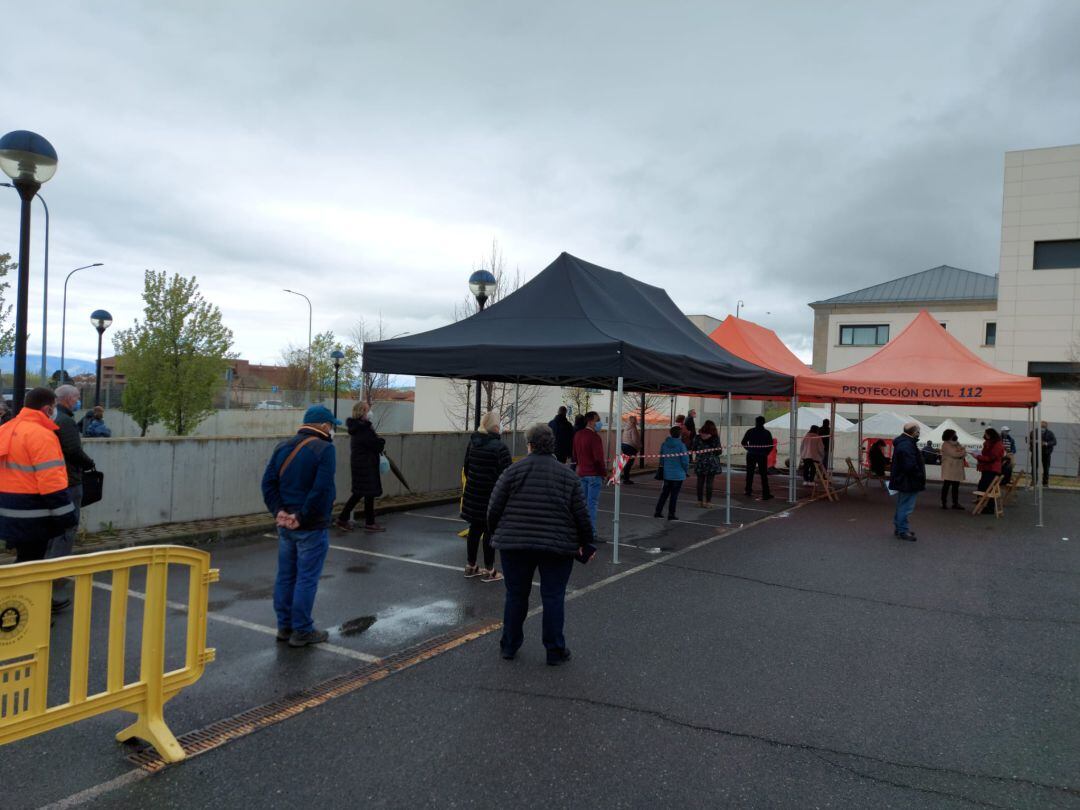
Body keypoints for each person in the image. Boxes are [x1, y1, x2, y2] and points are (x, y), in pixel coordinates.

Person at [488, 423, 594, 665]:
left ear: (529, 445)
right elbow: (581, 515)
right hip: (557, 546)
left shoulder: (513, 471)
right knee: (553, 597)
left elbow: (494, 508)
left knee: (516, 596)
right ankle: (555, 650)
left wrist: (497, 534)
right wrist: (586, 543)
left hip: (515, 544)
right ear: (552, 445)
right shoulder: (568, 475)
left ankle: (509, 646)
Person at [261, 404, 340, 647]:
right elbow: (321, 489)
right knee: (306, 578)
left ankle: (284, 627)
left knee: (285, 576)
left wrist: (280, 512)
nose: (333, 430)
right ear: (324, 426)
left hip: (286, 526)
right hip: (310, 526)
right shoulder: (325, 450)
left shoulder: (282, 446)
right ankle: (302, 630)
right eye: (332, 426)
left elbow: (268, 484)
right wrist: (302, 517)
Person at [0, 388, 78, 565]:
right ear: (47, 409)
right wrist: (67, 517)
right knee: (32, 566)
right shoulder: (41, 435)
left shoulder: (5, 429)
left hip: (8, 511)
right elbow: (51, 482)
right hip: (33, 515)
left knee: (24, 560)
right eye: (54, 406)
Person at [45, 386, 98, 611]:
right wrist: (90, 463)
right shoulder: (65, 422)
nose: (78, 401)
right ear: (67, 399)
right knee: (68, 527)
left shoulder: (53, 418)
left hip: (55, 481)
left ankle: (48, 568)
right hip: (69, 481)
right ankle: (56, 573)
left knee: (54, 528)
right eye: (77, 398)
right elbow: (73, 450)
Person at [461, 410, 511, 582]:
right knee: (490, 531)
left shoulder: (473, 443)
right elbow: (507, 476)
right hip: (491, 495)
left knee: (475, 529)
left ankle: (471, 565)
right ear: (496, 426)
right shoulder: (500, 448)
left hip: (473, 493)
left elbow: (466, 468)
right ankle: (490, 570)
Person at [335, 401, 386, 533]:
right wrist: (381, 441)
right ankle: (344, 519)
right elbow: (375, 444)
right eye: (367, 410)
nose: (370, 412)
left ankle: (368, 521)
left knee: (365, 493)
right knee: (361, 493)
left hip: (362, 464)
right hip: (365, 465)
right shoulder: (363, 429)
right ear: (362, 412)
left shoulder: (360, 428)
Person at [890, 422, 925, 541]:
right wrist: (919, 475)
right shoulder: (907, 445)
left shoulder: (904, 443)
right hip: (908, 480)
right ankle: (902, 530)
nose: (919, 432)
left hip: (904, 479)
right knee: (906, 506)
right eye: (918, 430)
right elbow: (909, 465)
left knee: (902, 505)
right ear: (914, 432)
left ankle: (899, 527)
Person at [572, 411, 605, 532]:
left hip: (581, 473)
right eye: (598, 420)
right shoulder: (595, 437)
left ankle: (581, 531)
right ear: (590, 421)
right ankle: (591, 532)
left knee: (582, 505)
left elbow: (574, 456)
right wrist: (603, 473)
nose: (599, 423)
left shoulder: (578, 435)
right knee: (592, 505)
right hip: (594, 474)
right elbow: (598, 459)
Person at [654, 426, 690, 520]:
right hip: (678, 474)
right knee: (674, 495)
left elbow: (661, 458)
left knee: (664, 493)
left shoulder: (664, 444)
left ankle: (658, 511)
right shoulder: (681, 446)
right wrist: (685, 471)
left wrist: (662, 467)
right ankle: (671, 514)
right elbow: (685, 461)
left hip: (667, 473)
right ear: (680, 435)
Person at [741, 416, 774, 500]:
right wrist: (766, 453)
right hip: (762, 455)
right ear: (764, 422)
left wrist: (749, 449)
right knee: (763, 475)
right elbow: (770, 445)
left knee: (750, 473)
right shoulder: (767, 433)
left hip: (751, 454)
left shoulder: (750, 431)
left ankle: (748, 490)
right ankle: (766, 493)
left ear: (755, 422)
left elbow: (743, 442)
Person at [974, 427, 1005, 514]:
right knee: (984, 486)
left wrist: (978, 457)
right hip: (987, 467)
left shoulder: (997, 445)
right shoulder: (989, 443)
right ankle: (983, 504)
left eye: (987, 434)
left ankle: (989, 507)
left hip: (992, 468)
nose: (985, 435)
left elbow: (992, 458)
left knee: (988, 488)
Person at [691, 419, 722, 508]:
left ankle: (699, 501)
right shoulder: (715, 438)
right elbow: (719, 451)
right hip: (711, 463)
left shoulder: (697, 437)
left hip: (700, 462)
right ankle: (708, 502)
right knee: (709, 483)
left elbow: (693, 448)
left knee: (700, 482)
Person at [939, 429, 967, 510]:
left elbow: (961, 453)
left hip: (957, 468)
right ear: (950, 435)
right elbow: (955, 454)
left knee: (956, 486)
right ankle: (944, 502)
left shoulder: (957, 444)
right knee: (946, 485)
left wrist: (961, 451)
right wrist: (962, 451)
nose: (956, 436)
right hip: (949, 468)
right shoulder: (946, 444)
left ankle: (955, 503)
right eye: (954, 434)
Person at [1028, 421, 1056, 486]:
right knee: (1034, 467)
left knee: (1046, 468)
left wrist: (1046, 443)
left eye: (1044, 427)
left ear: (1046, 427)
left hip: (1046, 453)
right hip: (1036, 452)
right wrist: (1035, 441)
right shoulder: (1034, 432)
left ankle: (1045, 482)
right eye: (1041, 427)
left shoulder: (1050, 433)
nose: (1043, 428)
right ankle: (1034, 481)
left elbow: (1054, 442)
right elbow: (1028, 439)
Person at [621, 414, 641, 485]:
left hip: (624, 445)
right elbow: (635, 440)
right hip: (631, 447)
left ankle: (621, 477)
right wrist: (638, 447)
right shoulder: (633, 428)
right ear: (634, 421)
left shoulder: (626, 427)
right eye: (636, 420)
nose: (636, 421)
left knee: (625, 462)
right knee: (629, 464)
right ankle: (626, 479)